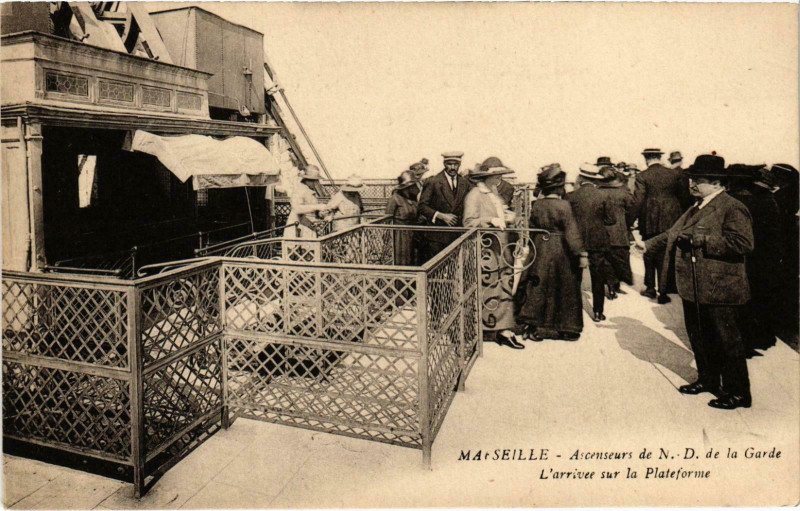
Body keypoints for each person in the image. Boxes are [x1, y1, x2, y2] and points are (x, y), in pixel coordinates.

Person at [645, 154, 754, 410]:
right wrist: (647, 244)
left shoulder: (732, 207)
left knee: (727, 341)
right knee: (700, 337)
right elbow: (673, 233)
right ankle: (707, 380)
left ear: (716, 182)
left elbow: (743, 243)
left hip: (720, 287)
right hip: (695, 286)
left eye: (699, 180)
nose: (692, 184)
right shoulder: (698, 206)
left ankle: (738, 393)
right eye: (692, 179)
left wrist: (701, 241)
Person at [517, 164, 586, 341]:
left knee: (538, 286)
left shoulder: (538, 205)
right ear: (560, 187)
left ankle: (533, 325)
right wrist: (581, 254)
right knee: (565, 287)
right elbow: (571, 232)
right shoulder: (564, 206)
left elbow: (531, 228)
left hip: (540, 247)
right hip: (561, 251)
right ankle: (567, 328)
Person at [462, 161, 522, 348]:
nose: (500, 178)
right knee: (488, 289)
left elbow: (501, 214)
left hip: (502, 248)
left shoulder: (494, 194)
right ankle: (484, 329)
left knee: (504, 287)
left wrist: (509, 217)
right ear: (485, 177)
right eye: (497, 175)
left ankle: (504, 329)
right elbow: (468, 222)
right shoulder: (474, 195)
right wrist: (490, 220)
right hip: (486, 251)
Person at [726, 164, 782, 353]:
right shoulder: (766, 200)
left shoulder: (732, 202)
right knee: (758, 298)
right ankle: (759, 339)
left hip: (741, 259)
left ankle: (743, 343)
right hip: (764, 259)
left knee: (739, 302)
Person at [634, 147, 691, 303]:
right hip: (672, 217)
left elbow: (638, 201)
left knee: (649, 250)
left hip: (649, 219)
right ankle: (664, 290)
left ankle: (650, 288)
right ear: (660, 157)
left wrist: (632, 219)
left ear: (646, 159)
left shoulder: (642, 176)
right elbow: (684, 198)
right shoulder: (675, 174)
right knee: (666, 252)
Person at [568, 164, 616, 322]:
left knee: (575, 277)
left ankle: (574, 314)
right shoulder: (603, 196)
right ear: (595, 179)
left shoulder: (571, 196)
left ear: (580, 178)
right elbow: (611, 220)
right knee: (598, 277)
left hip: (576, 241)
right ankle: (597, 312)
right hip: (598, 241)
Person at [418, 151, 471, 263]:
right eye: (449, 164)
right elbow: (422, 207)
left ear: (459, 165)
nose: (452, 167)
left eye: (455, 164)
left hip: (457, 235)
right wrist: (441, 216)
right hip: (437, 236)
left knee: (455, 268)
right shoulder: (433, 181)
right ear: (444, 164)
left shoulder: (464, 183)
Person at [600, 167, 636, 294]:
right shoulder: (623, 193)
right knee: (620, 259)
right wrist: (627, 223)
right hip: (619, 232)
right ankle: (616, 284)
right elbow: (632, 210)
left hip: (602, 233)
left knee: (606, 260)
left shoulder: (597, 192)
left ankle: (610, 286)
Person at [385, 170, 420, 266]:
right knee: (402, 260)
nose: (414, 188)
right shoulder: (395, 198)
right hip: (400, 235)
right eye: (411, 186)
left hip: (413, 232)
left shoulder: (413, 199)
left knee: (414, 258)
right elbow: (387, 218)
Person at [285, 165, 326, 238]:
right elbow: (297, 208)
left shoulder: (309, 190)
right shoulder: (299, 189)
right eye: (313, 180)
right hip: (297, 225)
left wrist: (320, 213)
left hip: (308, 225)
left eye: (316, 180)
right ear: (306, 180)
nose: (315, 183)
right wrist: (317, 207)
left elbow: (311, 208)